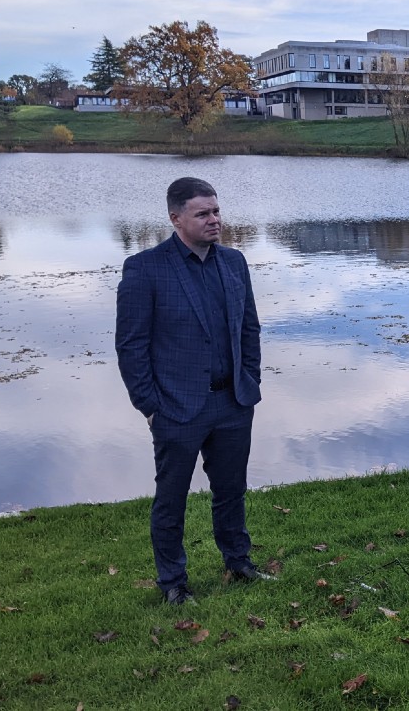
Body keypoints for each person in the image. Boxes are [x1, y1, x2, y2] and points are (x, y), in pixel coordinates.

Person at [115, 177, 271, 607]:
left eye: (216, 211)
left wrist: (250, 380)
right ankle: (173, 583)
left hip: (233, 402)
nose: (214, 220)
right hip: (176, 409)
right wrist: (150, 407)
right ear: (176, 218)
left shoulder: (234, 262)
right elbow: (131, 346)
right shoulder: (145, 268)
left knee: (231, 490)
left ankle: (238, 562)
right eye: (202, 213)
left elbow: (249, 329)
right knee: (171, 499)